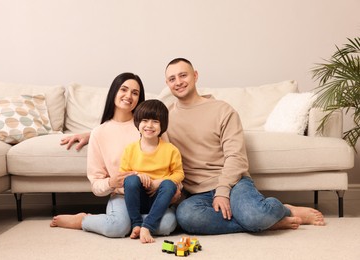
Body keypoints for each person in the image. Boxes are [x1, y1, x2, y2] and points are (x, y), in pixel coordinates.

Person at [164, 57, 325, 235]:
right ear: (167, 83)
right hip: (196, 193)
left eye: (183, 75)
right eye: (172, 79)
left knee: (255, 215)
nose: (178, 82)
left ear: (195, 76)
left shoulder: (222, 110)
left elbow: (236, 157)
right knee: (186, 217)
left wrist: (223, 191)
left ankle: (284, 211)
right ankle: (268, 222)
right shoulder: (165, 117)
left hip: (234, 184)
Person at [50, 72, 178, 238]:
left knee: (168, 224)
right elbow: (96, 184)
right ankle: (84, 220)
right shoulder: (99, 133)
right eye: (123, 90)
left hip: (153, 195)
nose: (128, 96)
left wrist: (175, 188)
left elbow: (171, 164)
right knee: (116, 228)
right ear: (114, 92)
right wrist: (111, 182)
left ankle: (135, 223)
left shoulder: (150, 125)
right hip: (122, 196)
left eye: (135, 92)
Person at [121, 99, 184, 243]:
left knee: (169, 184)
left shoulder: (171, 149)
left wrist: (158, 182)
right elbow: (123, 175)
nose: (149, 125)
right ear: (138, 123)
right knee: (130, 180)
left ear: (163, 125)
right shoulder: (130, 149)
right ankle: (136, 223)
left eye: (155, 121)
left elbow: (179, 174)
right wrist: (138, 175)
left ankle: (147, 226)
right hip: (138, 199)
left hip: (160, 198)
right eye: (144, 120)